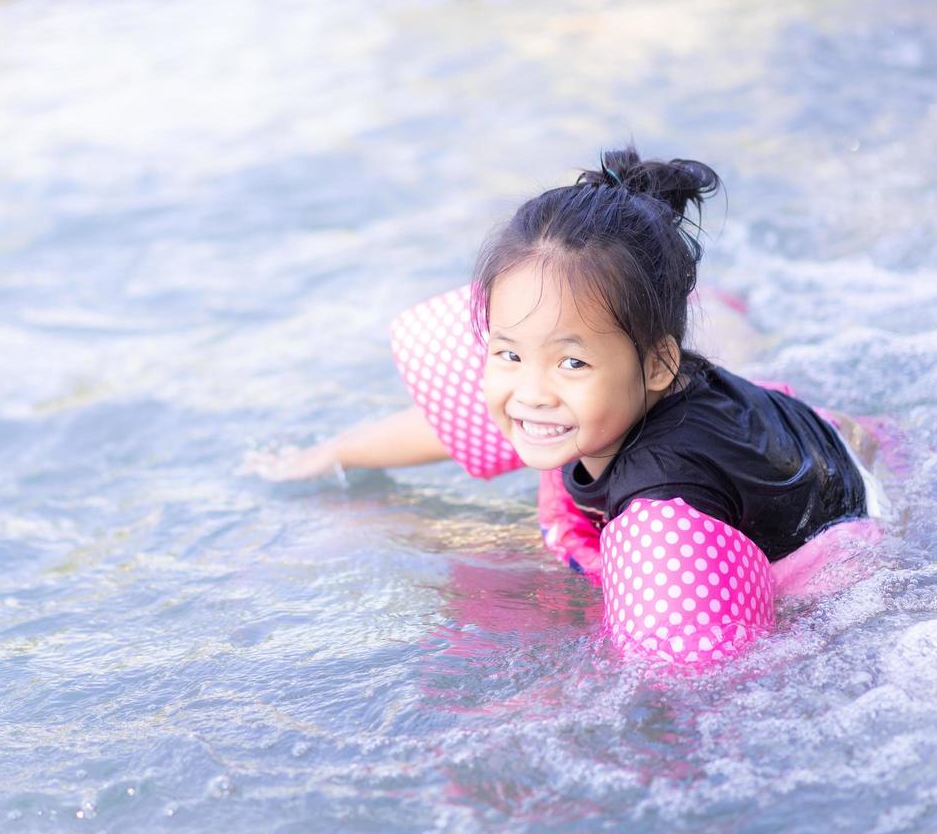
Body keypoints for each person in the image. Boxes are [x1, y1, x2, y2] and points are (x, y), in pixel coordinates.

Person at [250, 146, 889, 670]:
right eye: (507, 354)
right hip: (788, 429)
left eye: (571, 362)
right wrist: (334, 454)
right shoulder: (600, 388)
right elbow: (461, 422)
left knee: (499, 575)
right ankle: (715, 306)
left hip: (829, 539)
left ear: (660, 364)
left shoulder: (665, 500)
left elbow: (699, 671)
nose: (531, 391)